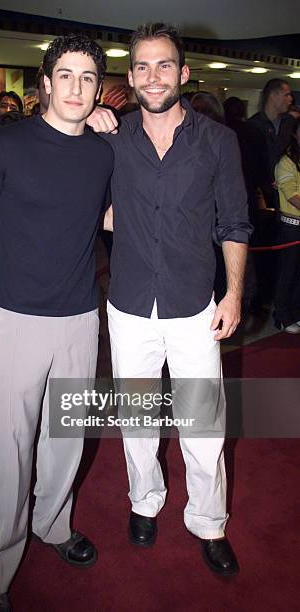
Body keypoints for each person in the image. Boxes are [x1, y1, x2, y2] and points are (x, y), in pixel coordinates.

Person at [0, 34, 113, 611]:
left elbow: (110, 215)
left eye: (87, 77)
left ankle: (52, 524)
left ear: (98, 87)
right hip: (13, 319)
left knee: (66, 440)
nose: (76, 87)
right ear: (45, 82)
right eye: (64, 75)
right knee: (6, 452)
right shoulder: (7, 143)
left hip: (77, 319)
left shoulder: (103, 151)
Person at [89, 22, 252, 576]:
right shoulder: (111, 138)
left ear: (182, 73)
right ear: (130, 76)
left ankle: (209, 522)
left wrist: (232, 294)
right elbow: (83, 196)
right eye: (142, 66)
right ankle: (144, 502)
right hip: (130, 303)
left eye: (164, 65)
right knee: (136, 420)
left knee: (203, 423)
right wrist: (84, 117)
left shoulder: (218, 142)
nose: (153, 76)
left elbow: (234, 222)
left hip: (193, 305)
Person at [248, 78, 294, 209]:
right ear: (273, 96)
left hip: (289, 189)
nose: (290, 99)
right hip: (264, 192)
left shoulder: (290, 123)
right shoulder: (254, 126)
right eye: (286, 95)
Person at [274, 118, 300, 333]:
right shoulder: (286, 162)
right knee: (288, 273)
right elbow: (291, 194)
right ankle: (283, 315)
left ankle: (295, 313)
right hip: (292, 226)